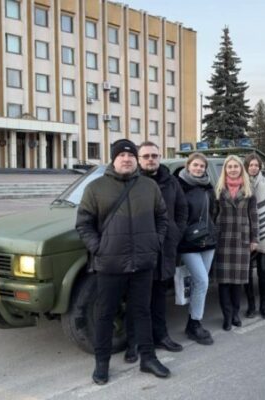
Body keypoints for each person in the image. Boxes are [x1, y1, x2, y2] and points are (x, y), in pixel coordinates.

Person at [76, 139, 171, 384]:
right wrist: (99, 248)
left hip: (143, 263)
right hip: (110, 265)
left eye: (130, 156)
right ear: (114, 159)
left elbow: (162, 217)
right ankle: (102, 364)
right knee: (105, 315)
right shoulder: (96, 188)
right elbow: (84, 224)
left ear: (136, 159)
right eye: (121, 156)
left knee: (142, 312)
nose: (126, 159)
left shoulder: (149, 186)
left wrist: (155, 242)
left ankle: (148, 358)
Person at [123, 142, 188, 363]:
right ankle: (133, 343)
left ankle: (161, 336)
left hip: (164, 248)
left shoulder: (171, 181)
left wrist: (176, 232)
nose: (150, 159)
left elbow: (182, 209)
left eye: (154, 155)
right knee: (137, 299)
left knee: (159, 296)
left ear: (159, 157)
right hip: (139, 249)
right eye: (146, 156)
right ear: (138, 159)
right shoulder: (130, 181)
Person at [177, 152, 218, 345]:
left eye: (202, 166)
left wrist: (211, 230)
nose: (199, 168)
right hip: (188, 242)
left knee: (199, 282)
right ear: (188, 166)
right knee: (202, 281)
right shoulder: (180, 186)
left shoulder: (208, 186)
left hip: (208, 241)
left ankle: (192, 323)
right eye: (195, 165)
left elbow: (214, 211)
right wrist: (184, 233)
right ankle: (195, 323)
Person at [214, 155, 258, 331]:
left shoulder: (248, 190)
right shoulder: (218, 189)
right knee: (224, 281)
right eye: (229, 167)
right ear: (225, 169)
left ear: (241, 169)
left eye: (236, 166)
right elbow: (213, 214)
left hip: (241, 239)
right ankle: (226, 316)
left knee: (237, 281)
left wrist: (254, 239)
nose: (233, 169)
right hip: (223, 239)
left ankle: (235, 314)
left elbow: (254, 216)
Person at [243, 154, 265, 319]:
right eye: (251, 165)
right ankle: (251, 306)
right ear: (246, 166)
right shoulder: (241, 183)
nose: (253, 168)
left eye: (256, 165)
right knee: (247, 273)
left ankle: (264, 305)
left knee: (264, 271)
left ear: (260, 167)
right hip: (245, 233)